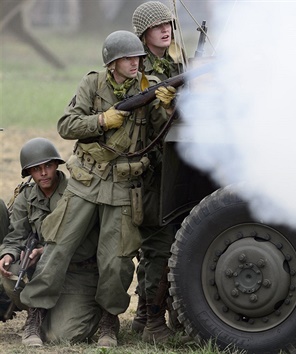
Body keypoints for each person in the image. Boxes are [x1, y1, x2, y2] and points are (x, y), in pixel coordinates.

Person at [19, 30, 176, 348]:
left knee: (116, 260)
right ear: (113, 62)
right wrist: (102, 121)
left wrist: (166, 108)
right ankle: (33, 319)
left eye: (138, 58)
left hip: (123, 187)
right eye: (128, 59)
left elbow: (158, 137)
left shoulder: (146, 87)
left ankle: (109, 321)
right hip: (85, 181)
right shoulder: (92, 84)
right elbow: (67, 125)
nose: (135, 63)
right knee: (58, 247)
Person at [0, 138, 101, 346]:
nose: (43, 173)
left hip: (77, 272)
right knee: (11, 272)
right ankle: (37, 315)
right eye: (36, 169)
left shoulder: (76, 195)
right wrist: (8, 253)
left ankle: (98, 311)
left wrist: (46, 250)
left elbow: (88, 242)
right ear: (29, 173)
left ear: (56, 165)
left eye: (48, 166)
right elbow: (15, 235)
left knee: (61, 337)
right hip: (41, 273)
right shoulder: (26, 197)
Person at [130, 1, 185, 343]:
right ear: (143, 34)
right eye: (157, 26)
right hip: (150, 170)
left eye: (168, 24)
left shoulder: (176, 65)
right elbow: (147, 126)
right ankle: (152, 321)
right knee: (157, 247)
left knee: (164, 244)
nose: (165, 30)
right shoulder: (137, 71)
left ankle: (143, 315)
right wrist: (165, 105)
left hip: (174, 167)